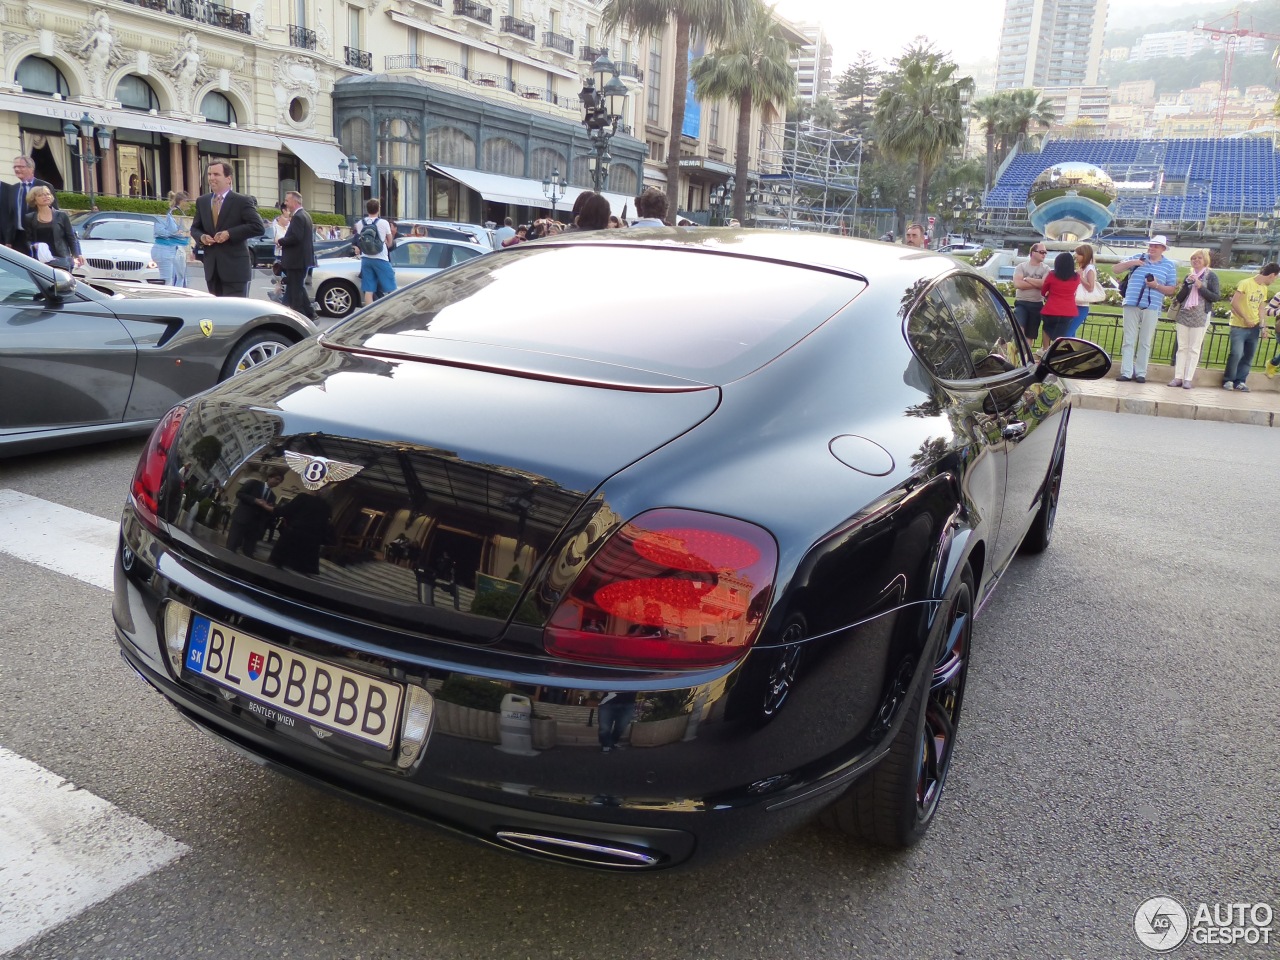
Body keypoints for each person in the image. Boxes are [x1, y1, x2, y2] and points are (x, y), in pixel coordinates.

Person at [190, 160, 264, 297]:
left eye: (216, 174)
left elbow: (258, 227)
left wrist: (229, 233)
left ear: (228, 179)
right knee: (217, 312)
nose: (211, 178)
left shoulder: (241, 201)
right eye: (209, 174)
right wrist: (202, 237)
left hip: (235, 270)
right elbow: (195, 228)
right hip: (212, 269)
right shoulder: (203, 201)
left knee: (235, 313)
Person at [1113, 235, 1178, 383]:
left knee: (1145, 341)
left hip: (1152, 306)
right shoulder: (1138, 257)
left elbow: (1171, 289)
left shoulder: (1169, 265)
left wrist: (1156, 285)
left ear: (1163, 249)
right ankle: (1126, 372)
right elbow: (1115, 269)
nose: (1152, 248)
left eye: (1156, 246)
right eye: (1151, 245)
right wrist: (1134, 262)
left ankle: (1141, 372)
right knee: (1128, 340)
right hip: (1131, 303)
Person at [1167, 248, 1219, 389]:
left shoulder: (1211, 276)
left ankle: (1188, 378)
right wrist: (1187, 285)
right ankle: (1178, 377)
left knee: (1194, 348)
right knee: (1182, 347)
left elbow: (1215, 297)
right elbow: (1180, 297)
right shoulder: (1189, 276)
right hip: (1185, 314)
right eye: (1193, 258)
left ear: (1205, 260)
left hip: (1200, 315)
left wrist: (1200, 286)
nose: (1196, 261)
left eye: (1199, 258)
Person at [1222, 262, 1279, 391]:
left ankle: (1240, 381)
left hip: (1254, 327)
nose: (1275, 280)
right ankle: (1228, 380)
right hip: (1238, 326)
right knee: (1236, 353)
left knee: (1248, 355)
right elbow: (1234, 303)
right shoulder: (1245, 283)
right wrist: (1245, 318)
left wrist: (1263, 327)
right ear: (1271, 275)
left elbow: (1261, 308)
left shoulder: (1263, 288)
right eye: (1276, 277)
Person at [225, 467, 283, 557]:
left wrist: (269, 509)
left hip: (255, 526)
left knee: (248, 553)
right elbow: (239, 494)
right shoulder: (254, 483)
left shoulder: (273, 496)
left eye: (280, 481)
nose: (278, 482)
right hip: (242, 519)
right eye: (277, 479)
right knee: (231, 547)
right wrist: (255, 500)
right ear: (270, 477)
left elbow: (267, 513)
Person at [277, 190, 317, 320]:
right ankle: (310, 313)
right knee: (298, 287)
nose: (285, 203)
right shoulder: (305, 215)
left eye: (287, 200)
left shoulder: (299, 217)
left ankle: (300, 317)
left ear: (295, 202)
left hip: (296, 260)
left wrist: (281, 241)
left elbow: (297, 237)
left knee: (295, 292)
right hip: (301, 260)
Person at [5, 156, 55, 255]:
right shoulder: (13, 189)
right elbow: (11, 216)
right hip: (18, 237)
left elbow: (54, 211)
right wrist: (8, 241)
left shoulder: (44, 186)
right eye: (15, 167)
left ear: (31, 168)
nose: (17, 169)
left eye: (20, 166)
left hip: (38, 236)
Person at [22, 185, 80, 270]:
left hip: (61, 259)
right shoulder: (29, 218)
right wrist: (34, 246)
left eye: (47, 194)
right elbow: (27, 240)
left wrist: (76, 255)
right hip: (41, 260)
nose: (45, 197)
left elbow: (71, 237)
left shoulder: (62, 215)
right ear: (34, 199)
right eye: (40, 195)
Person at [352, 197, 396, 306]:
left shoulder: (360, 223)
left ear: (367, 209)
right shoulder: (384, 223)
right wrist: (384, 242)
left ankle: (370, 314)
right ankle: (393, 311)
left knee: (369, 290)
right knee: (391, 287)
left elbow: (358, 240)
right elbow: (390, 242)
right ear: (379, 209)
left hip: (366, 258)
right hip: (381, 258)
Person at [1012, 242, 1051, 351]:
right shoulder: (1021, 267)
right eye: (1041, 252)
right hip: (1022, 303)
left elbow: (1044, 285)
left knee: (1031, 334)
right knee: (1019, 328)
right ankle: (1018, 350)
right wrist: (1037, 284)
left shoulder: (1046, 269)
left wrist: (1027, 279)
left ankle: (1026, 356)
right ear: (1033, 253)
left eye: (1045, 252)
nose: (1044, 254)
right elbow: (1018, 284)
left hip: (1037, 304)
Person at [1039, 252, 1080, 344]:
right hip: (1069, 310)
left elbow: (1044, 290)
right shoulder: (1076, 277)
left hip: (1051, 308)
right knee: (1063, 334)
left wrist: (1046, 296)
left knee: (1046, 328)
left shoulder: (1052, 275)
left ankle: (1045, 349)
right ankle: (1057, 351)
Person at [153, 190, 191, 286]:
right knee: (177, 277)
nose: (189, 204)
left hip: (175, 248)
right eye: (187, 201)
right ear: (182, 201)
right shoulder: (176, 213)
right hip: (174, 248)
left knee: (176, 276)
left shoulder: (173, 212)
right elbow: (178, 231)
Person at [1067, 244, 1100, 338]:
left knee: (1067, 332)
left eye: (1078, 254)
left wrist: (1080, 277)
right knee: (1071, 333)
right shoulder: (1082, 268)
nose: (1076, 256)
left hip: (1081, 306)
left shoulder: (1089, 268)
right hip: (1074, 304)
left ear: (1084, 255)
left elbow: (1090, 287)